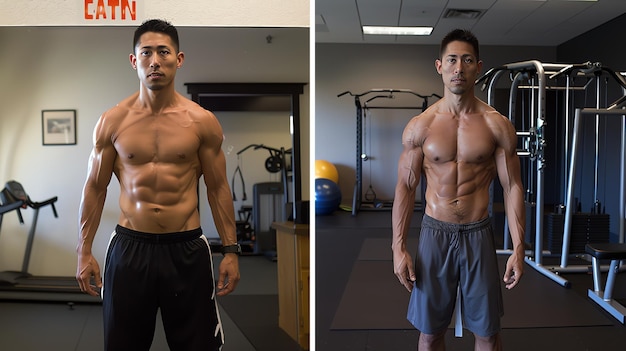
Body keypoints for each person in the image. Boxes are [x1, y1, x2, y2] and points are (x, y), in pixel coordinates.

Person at [75, 19, 240, 351]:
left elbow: (218, 187)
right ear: (134, 61)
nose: (154, 61)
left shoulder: (202, 121)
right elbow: (95, 187)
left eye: (163, 52)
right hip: (129, 248)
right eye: (146, 52)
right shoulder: (112, 121)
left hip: (187, 248)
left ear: (178, 59)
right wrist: (84, 250)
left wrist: (231, 251)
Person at [391, 29, 525, 351]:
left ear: (478, 67)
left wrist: (519, 248)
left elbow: (513, 186)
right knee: (430, 332)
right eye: (452, 60)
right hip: (434, 233)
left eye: (466, 60)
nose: (458, 68)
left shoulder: (496, 125)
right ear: (439, 66)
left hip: (478, 234)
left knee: (488, 333)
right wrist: (398, 249)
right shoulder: (421, 126)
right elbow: (406, 187)